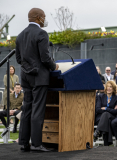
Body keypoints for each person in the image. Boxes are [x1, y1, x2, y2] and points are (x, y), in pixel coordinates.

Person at [15, 8, 59, 152]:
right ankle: (37, 144)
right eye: (44, 17)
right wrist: (54, 66)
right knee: (38, 110)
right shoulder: (42, 33)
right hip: (39, 77)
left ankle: (23, 142)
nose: (45, 19)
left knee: (27, 108)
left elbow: (19, 59)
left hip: (25, 76)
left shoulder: (20, 35)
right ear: (38, 18)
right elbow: (45, 58)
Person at [94, 81, 117, 146]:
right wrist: (111, 110)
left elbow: (116, 112)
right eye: (107, 86)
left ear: (113, 88)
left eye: (111, 87)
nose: (109, 88)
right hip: (100, 119)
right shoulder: (101, 96)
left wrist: (106, 109)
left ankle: (97, 131)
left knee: (106, 115)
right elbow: (98, 109)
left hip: (112, 117)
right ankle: (107, 144)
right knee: (106, 119)